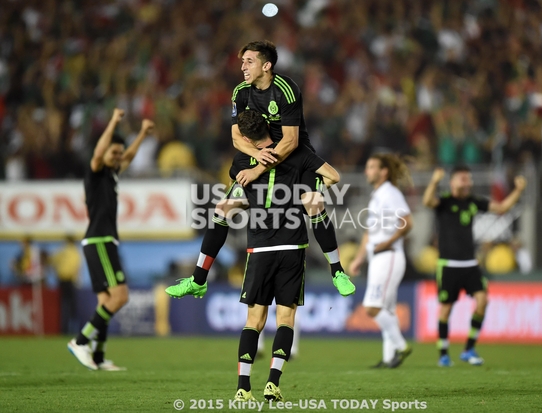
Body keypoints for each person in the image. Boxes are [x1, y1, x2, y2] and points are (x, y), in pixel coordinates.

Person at [166, 40, 354, 300]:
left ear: (266, 66)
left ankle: (337, 271)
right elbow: (235, 136)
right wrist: (256, 155)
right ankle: (198, 279)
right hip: (260, 153)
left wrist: (256, 171)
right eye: (242, 61)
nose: (242, 66)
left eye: (249, 61)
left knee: (314, 202)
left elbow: (290, 141)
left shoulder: (286, 90)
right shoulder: (240, 92)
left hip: (294, 155)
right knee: (222, 209)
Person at [222, 110, 342, 401]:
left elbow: (231, 204)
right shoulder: (298, 155)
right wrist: (308, 192)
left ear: (246, 137)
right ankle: (273, 382)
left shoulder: (241, 162)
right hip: (291, 247)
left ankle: (242, 387)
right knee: (286, 317)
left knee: (254, 319)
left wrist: (249, 204)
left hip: (259, 247)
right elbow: (333, 177)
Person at [67, 108, 154, 371]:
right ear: (103, 152)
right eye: (112, 152)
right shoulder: (95, 172)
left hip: (102, 241)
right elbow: (98, 152)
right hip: (100, 240)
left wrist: (140, 134)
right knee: (120, 296)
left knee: (106, 301)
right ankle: (80, 341)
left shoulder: (112, 174)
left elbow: (128, 155)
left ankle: (99, 356)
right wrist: (114, 120)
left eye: (118, 153)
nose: (117, 156)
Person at [422, 166, 526, 366]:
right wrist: (434, 181)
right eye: (463, 179)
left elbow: (502, 207)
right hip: (448, 264)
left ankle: (468, 349)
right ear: (452, 182)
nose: (467, 182)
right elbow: (427, 201)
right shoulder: (444, 202)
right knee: (446, 309)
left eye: (468, 179)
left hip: (470, 263)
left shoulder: (473, 202)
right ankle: (443, 353)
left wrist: (518, 190)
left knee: (482, 301)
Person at [349, 154, 414, 368]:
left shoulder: (391, 193)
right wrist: (359, 258)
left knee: (372, 307)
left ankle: (401, 346)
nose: (367, 171)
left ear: (383, 171)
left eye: (371, 167)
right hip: (376, 257)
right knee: (387, 308)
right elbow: (369, 232)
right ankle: (389, 358)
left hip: (389, 256)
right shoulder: (377, 195)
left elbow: (407, 222)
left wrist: (389, 243)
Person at [51, 235, 81, 334]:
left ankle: (64, 329)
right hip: (71, 282)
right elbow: (77, 268)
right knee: (72, 307)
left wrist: (57, 272)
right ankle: (74, 328)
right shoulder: (76, 252)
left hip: (63, 281)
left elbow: (53, 261)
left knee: (64, 305)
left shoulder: (62, 251)